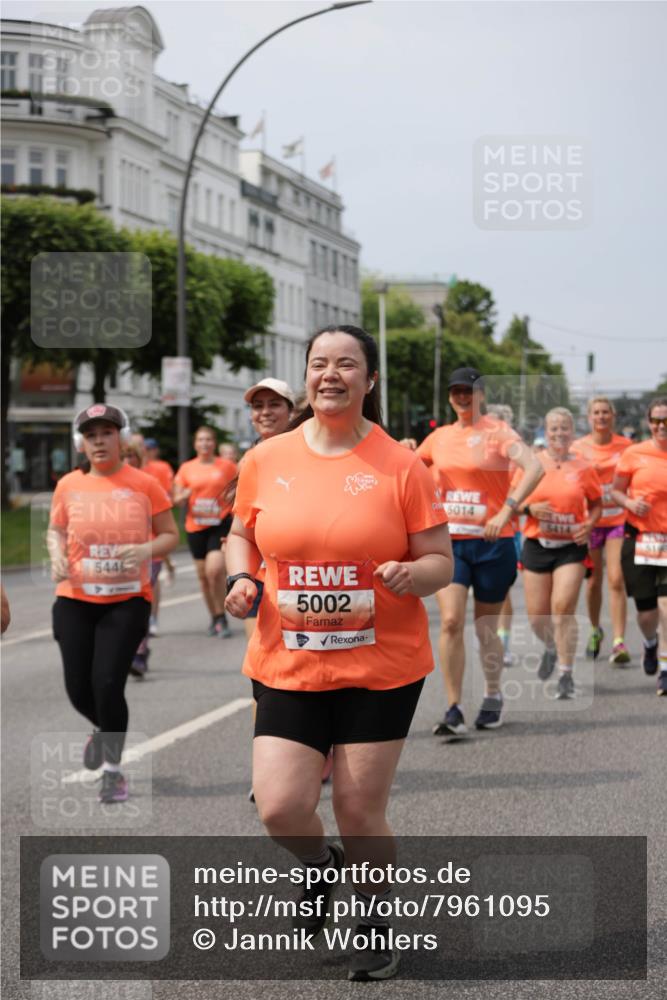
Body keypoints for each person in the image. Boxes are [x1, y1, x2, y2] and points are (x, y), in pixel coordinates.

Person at [225, 325, 453, 981]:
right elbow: (242, 535)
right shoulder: (266, 459)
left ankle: (376, 919)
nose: (331, 374)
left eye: (346, 364)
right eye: (319, 363)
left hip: (379, 666)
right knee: (278, 806)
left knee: (358, 809)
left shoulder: (401, 466)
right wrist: (243, 578)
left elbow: (440, 558)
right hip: (288, 661)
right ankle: (323, 867)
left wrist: (418, 575)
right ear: (305, 377)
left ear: (368, 380)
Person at [47, 404, 178, 803]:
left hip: (127, 601)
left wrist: (143, 551)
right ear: (81, 444)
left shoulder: (145, 484)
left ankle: (113, 772)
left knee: (107, 683)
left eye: (107, 433)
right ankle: (105, 730)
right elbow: (56, 530)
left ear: (121, 439)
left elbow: (170, 535)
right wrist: (54, 553)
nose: (99, 441)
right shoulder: (68, 485)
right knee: (77, 688)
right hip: (75, 599)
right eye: (91, 435)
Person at [412, 368, 543, 735]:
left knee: (486, 627)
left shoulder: (498, 432)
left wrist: (507, 510)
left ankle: (492, 695)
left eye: (468, 391)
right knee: (451, 620)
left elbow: (534, 467)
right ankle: (453, 707)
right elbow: (409, 470)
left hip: (492, 543)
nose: (462, 397)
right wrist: (404, 449)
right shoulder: (438, 438)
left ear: (480, 394)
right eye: (455, 391)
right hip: (450, 544)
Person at [520, 407, 602, 699]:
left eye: (564, 428)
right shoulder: (533, 464)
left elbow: (596, 503)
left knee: (563, 607)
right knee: (537, 618)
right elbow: (511, 502)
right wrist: (530, 508)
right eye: (553, 429)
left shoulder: (583, 466)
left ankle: (566, 674)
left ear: (572, 431)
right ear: (545, 431)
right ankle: (552, 647)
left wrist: (589, 525)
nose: (559, 434)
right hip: (537, 545)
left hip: (571, 547)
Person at [611, 397, 667, 695]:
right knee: (647, 613)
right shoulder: (634, 454)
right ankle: (649, 643)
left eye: (666, 421)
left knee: (666, 606)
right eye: (656, 421)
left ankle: (666, 669)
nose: (661, 426)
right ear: (649, 423)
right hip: (640, 539)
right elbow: (616, 491)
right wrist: (630, 502)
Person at [573, 397, 632, 663]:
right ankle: (595, 629)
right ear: (589, 417)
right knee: (593, 581)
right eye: (596, 412)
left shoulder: (627, 447)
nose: (601, 416)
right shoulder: (577, 448)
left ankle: (619, 642)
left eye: (605, 412)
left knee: (617, 579)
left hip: (618, 519)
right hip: (590, 522)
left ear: (613, 416)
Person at [173, 427, 237, 637]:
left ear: (214, 443)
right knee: (203, 578)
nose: (205, 443)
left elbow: (241, 488)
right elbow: (177, 498)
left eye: (209, 439)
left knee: (215, 570)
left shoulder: (226, 466)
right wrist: (182, 497)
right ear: (195, 444)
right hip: (195, 526)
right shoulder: (186, 468)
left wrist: (234, 501)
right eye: (201, 440)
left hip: (219, 523)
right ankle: (216, 617)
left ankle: (221, 616)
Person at [142, 438, 176, 631]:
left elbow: (168, 491)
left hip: (157, 515)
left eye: (151, 448)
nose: (148, 451)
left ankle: (152, 619)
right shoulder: (129, 469)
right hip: (137, 521)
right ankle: (169, 566)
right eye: (145, 448)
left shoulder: (162, 467)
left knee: (151, 574)